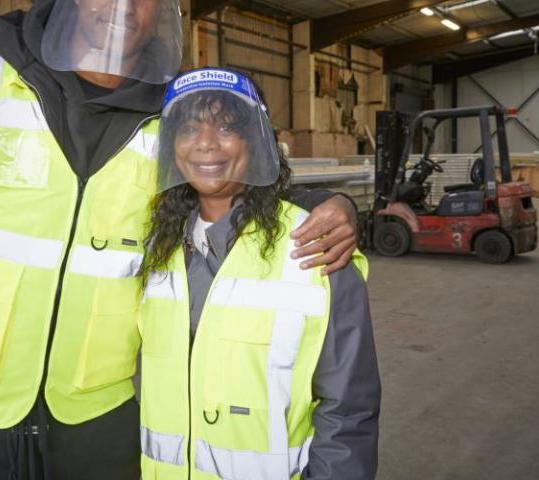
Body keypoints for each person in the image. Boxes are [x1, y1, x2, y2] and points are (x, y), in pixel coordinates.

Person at [0, 0, 359, 480]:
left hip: (96, 418)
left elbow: (243, 182)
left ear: (162, 7)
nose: (123, 6)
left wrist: (335, 204)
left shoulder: (172, 114)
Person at [138, 68, 381, 479]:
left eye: (228, 127)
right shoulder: (155, 247)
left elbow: (348, 410)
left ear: (257, 140)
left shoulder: (315, 246)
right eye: (189, 128)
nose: (206, 144)